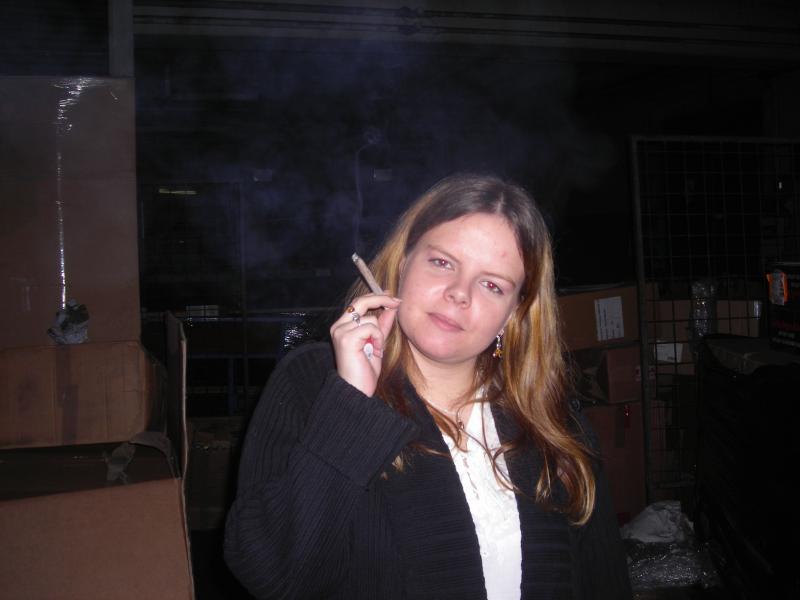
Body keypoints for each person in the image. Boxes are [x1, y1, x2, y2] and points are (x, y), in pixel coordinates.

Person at [224, 173, 632, 599]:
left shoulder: (552, 420)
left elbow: (604, 581)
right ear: (403, 263)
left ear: (513, 313)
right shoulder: (313, 382)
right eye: (442, 263)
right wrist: (351, 404)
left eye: (492, 285)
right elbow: (270, 571)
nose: (459, 293)